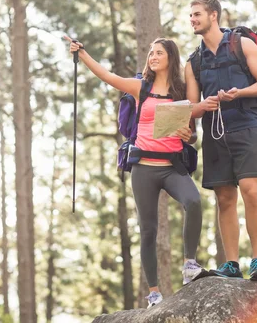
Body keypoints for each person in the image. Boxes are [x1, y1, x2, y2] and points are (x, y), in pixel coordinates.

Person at [65, 35, 202, 308]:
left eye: (159, 53)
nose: (153, 57)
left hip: (172, 167)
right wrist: (83, 54)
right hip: (144, 170)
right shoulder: (141, 87)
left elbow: (192, 134)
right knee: (148, 231)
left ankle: (190, 264)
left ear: (170, 58)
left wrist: (188, 135)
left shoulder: (181, 91)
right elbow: (107, 75)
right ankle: (153, 293)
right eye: (151, 52)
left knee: (194, 201)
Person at [185, 0, 257, 281]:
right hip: (214, 131)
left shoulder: (241, 44)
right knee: (224, 198)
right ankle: (232, 264)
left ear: (213, 15)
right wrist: (203, 106)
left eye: (197, 14)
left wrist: (240, 92)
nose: (192, 19)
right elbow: (191, 107)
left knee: (251, 191)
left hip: (247, 125)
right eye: (191, 15)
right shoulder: (194, 62)